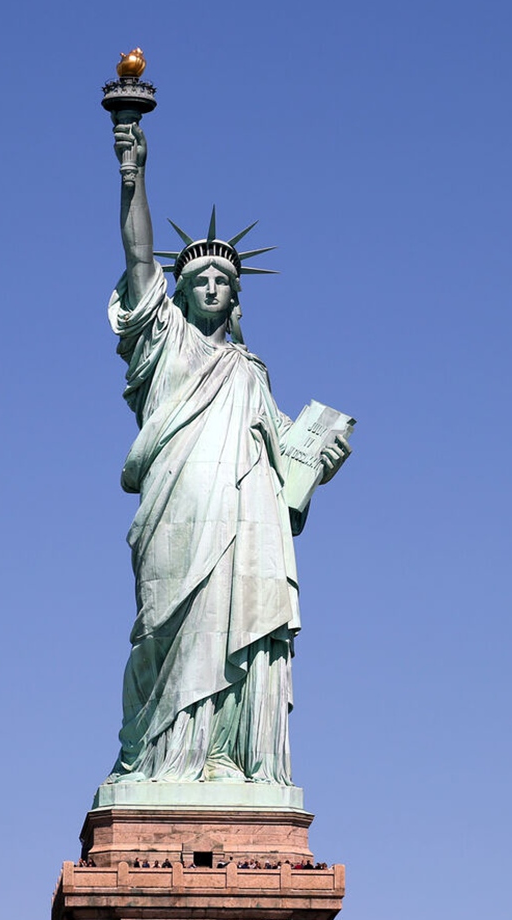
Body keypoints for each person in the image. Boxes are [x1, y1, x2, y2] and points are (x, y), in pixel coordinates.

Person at [105, 118, 350, 786]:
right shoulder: (164, 348)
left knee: (237, 626)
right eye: (199, 278)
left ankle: (225, 756)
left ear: (235, 297)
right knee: (167, 630)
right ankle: (157, 759)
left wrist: (314, 465)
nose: (212, 286)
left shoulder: (250, 372)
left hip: (246, 523)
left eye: (223, 280)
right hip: (179, 507)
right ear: (177, 293)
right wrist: (133, 171)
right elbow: (136, 259)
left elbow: (283, 464)